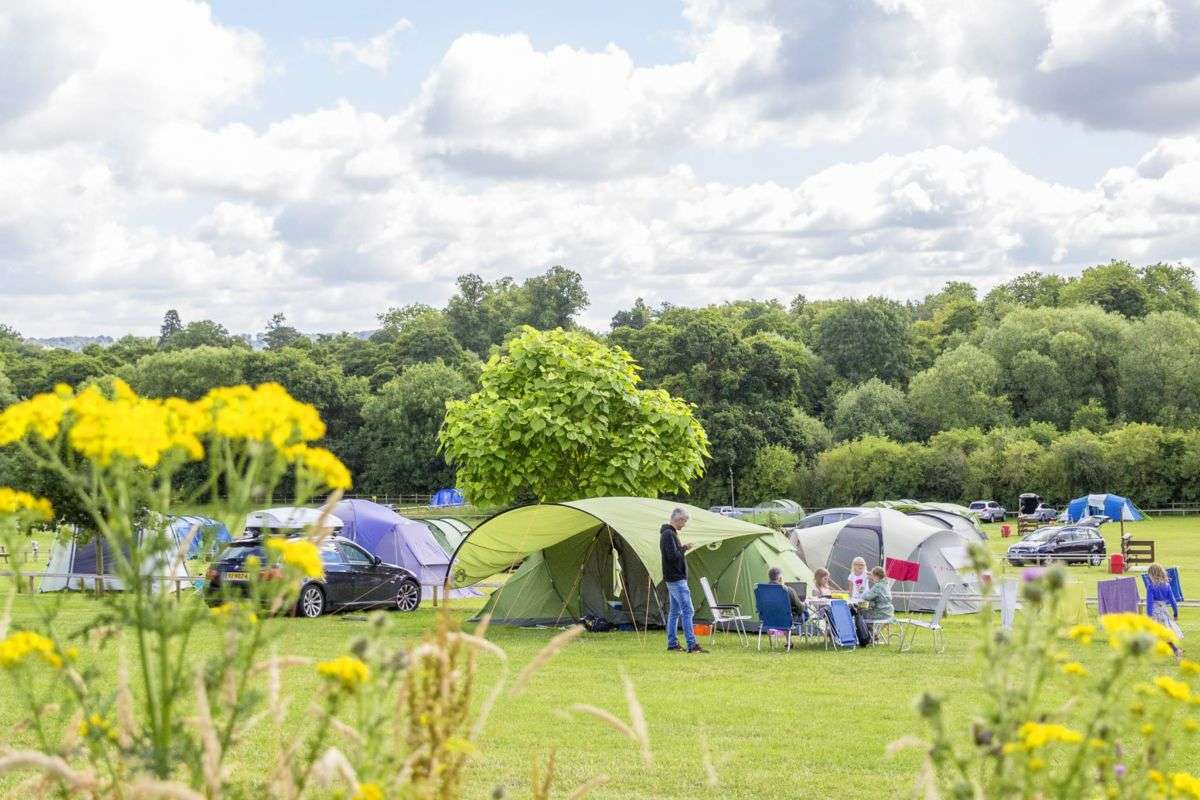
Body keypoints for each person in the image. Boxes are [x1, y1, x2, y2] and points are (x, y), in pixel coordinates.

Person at [660, 507, 705, 653]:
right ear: (678, 519)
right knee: (688, 611)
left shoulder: (669, 534)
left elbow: (672, 554)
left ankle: (672, 644)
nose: (684, 524)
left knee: (674, 612)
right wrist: (684, 548)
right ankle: (692, 645)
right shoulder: (668, 535)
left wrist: (682, 548)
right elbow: (672, 557)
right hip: (677, 579)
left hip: (673, 578)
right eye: (684, 521)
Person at [1146, 563, 1183, 657]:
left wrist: (1149, 616)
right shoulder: (1167, 586)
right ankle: (1175, 650)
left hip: (1155, 612)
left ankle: (1175, 650)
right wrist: (1175, 613)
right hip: (1163, 611)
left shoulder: (1151, 586)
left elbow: (1149, 603)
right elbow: (1173, 601)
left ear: (1152, 574)